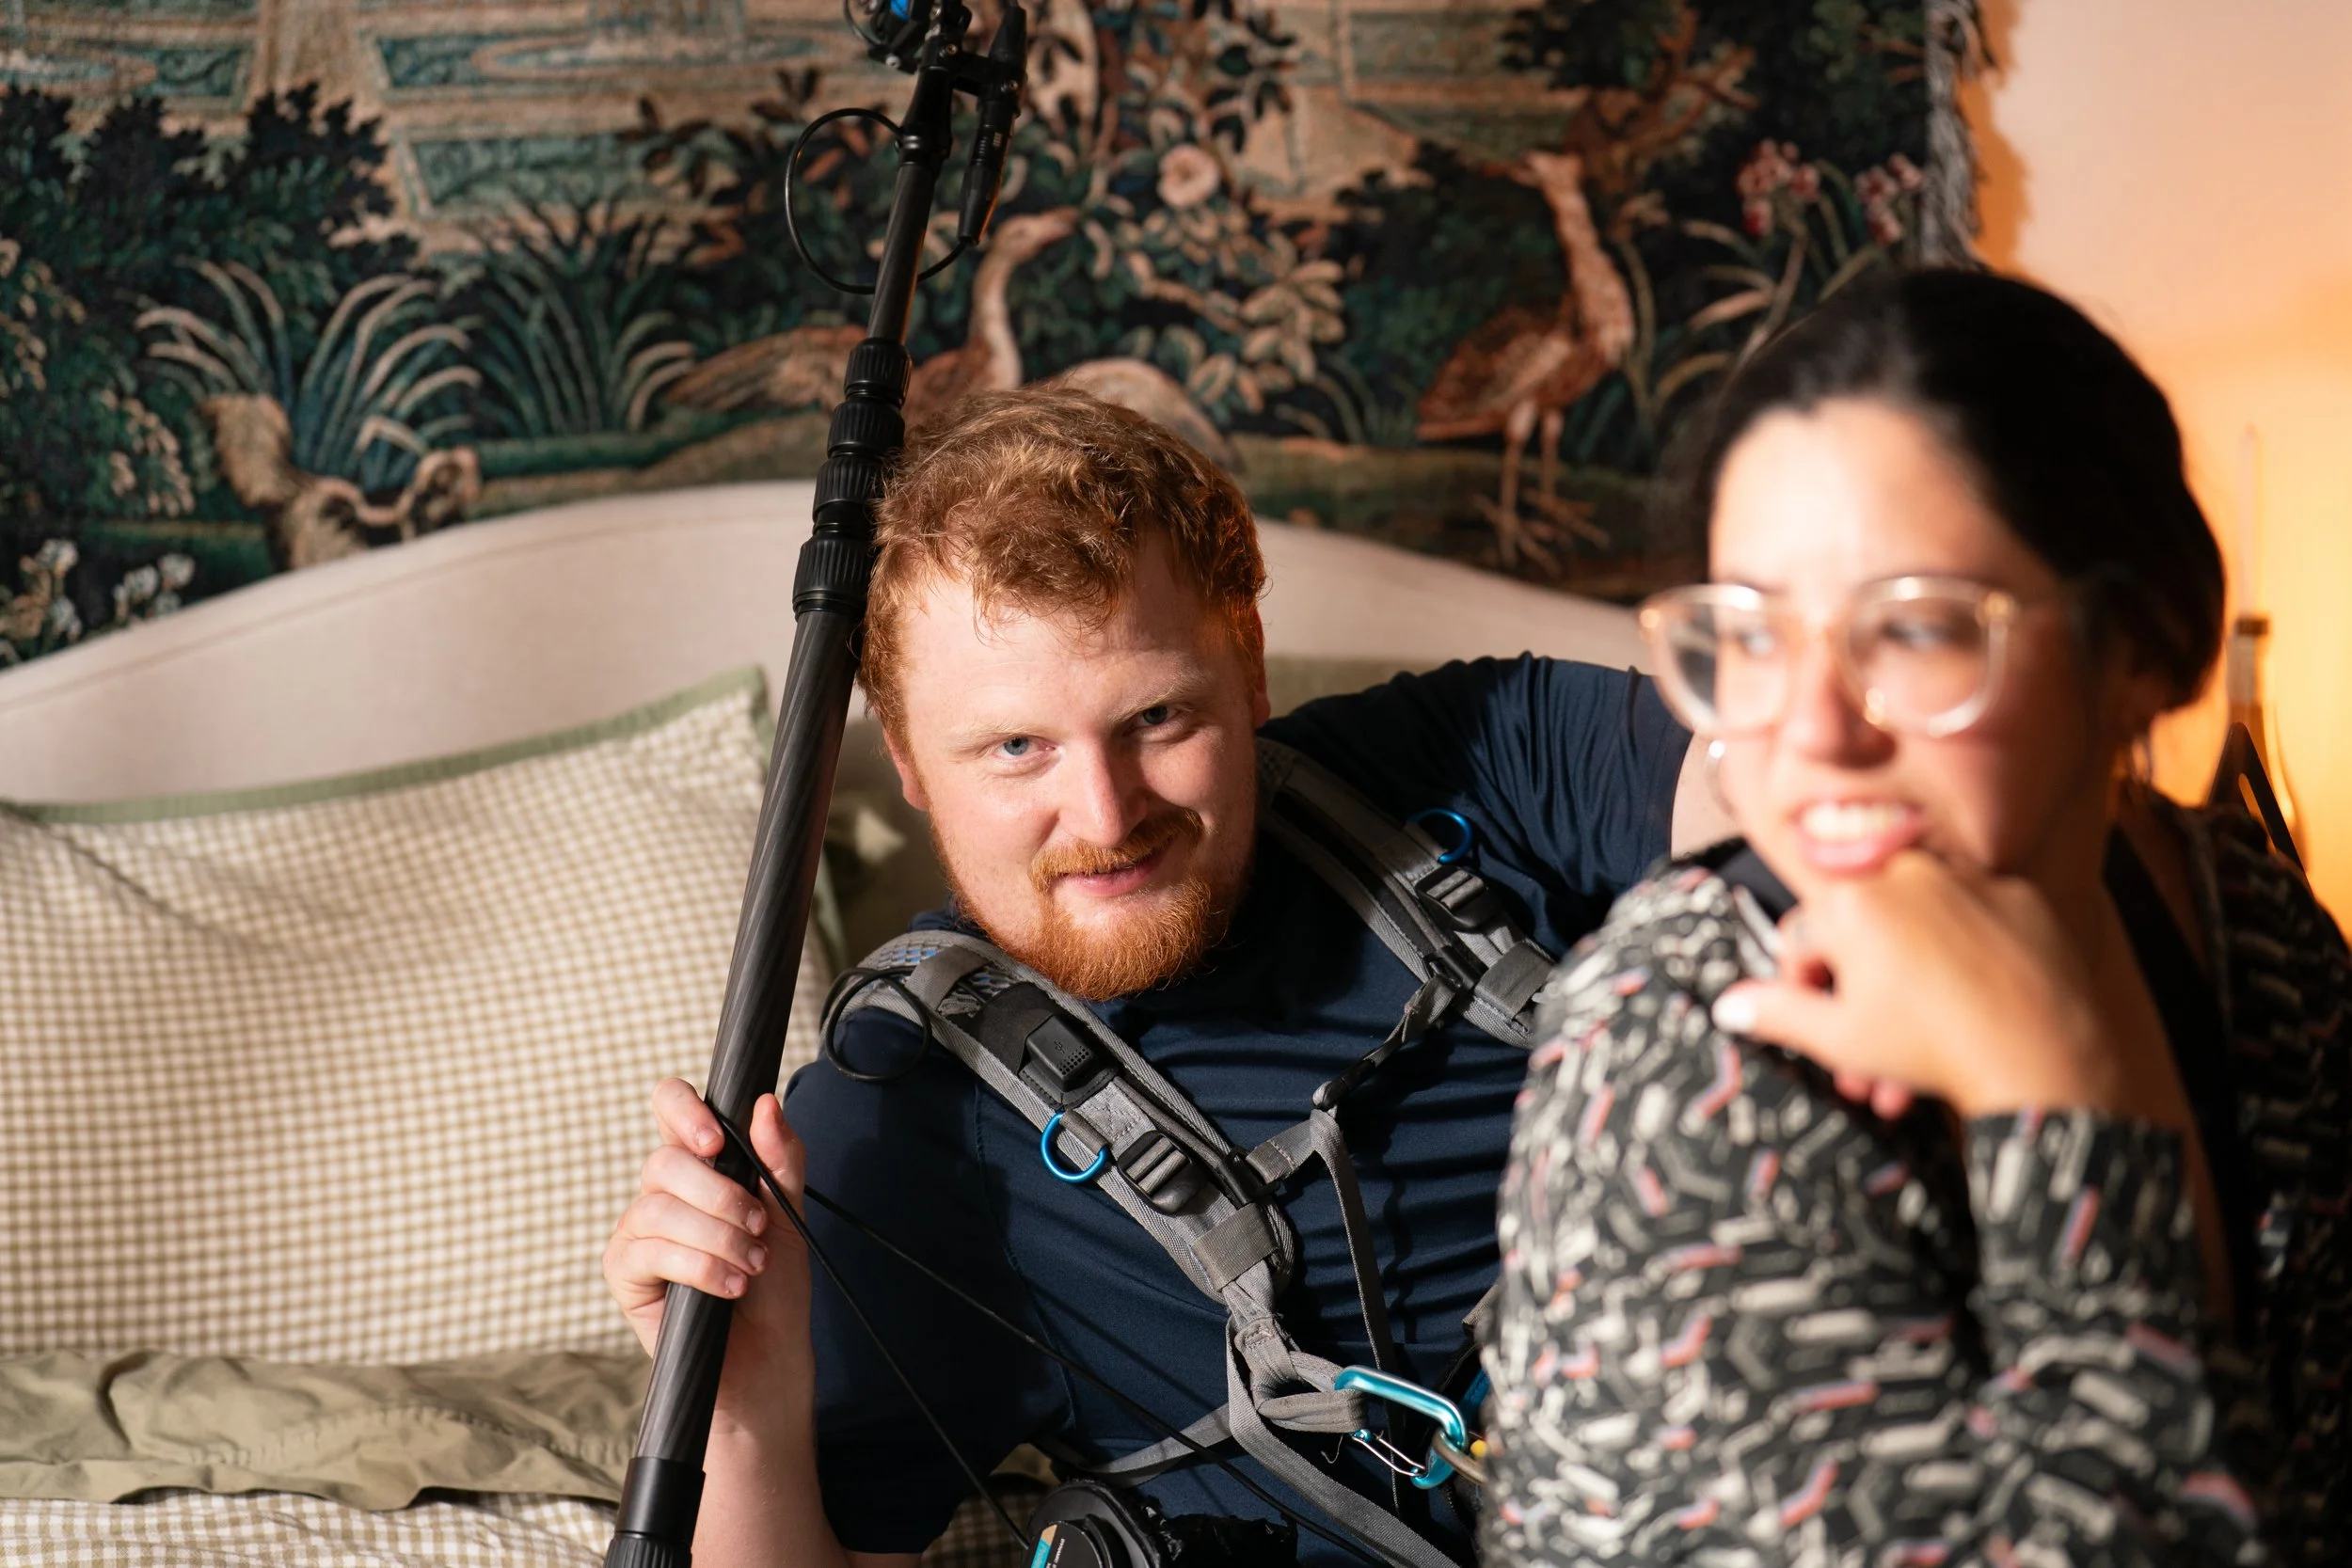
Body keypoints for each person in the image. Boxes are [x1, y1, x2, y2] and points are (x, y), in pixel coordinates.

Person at [600, 386, 1729, 1567]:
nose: (1105, 816)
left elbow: (1798, 801)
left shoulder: (1484, 754)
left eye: (1154, 715)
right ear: (911, 764)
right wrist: (738, 1411)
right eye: (1015, 747)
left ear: (1250, 674)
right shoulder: (901, 1123)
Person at [1482, 268, 2349, 1567]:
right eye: (1753, 635)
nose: (1813, 731)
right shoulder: (1684, 1037)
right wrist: (2058, 1092)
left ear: (2142, 644)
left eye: (1918, 628)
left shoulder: (2248, 921)